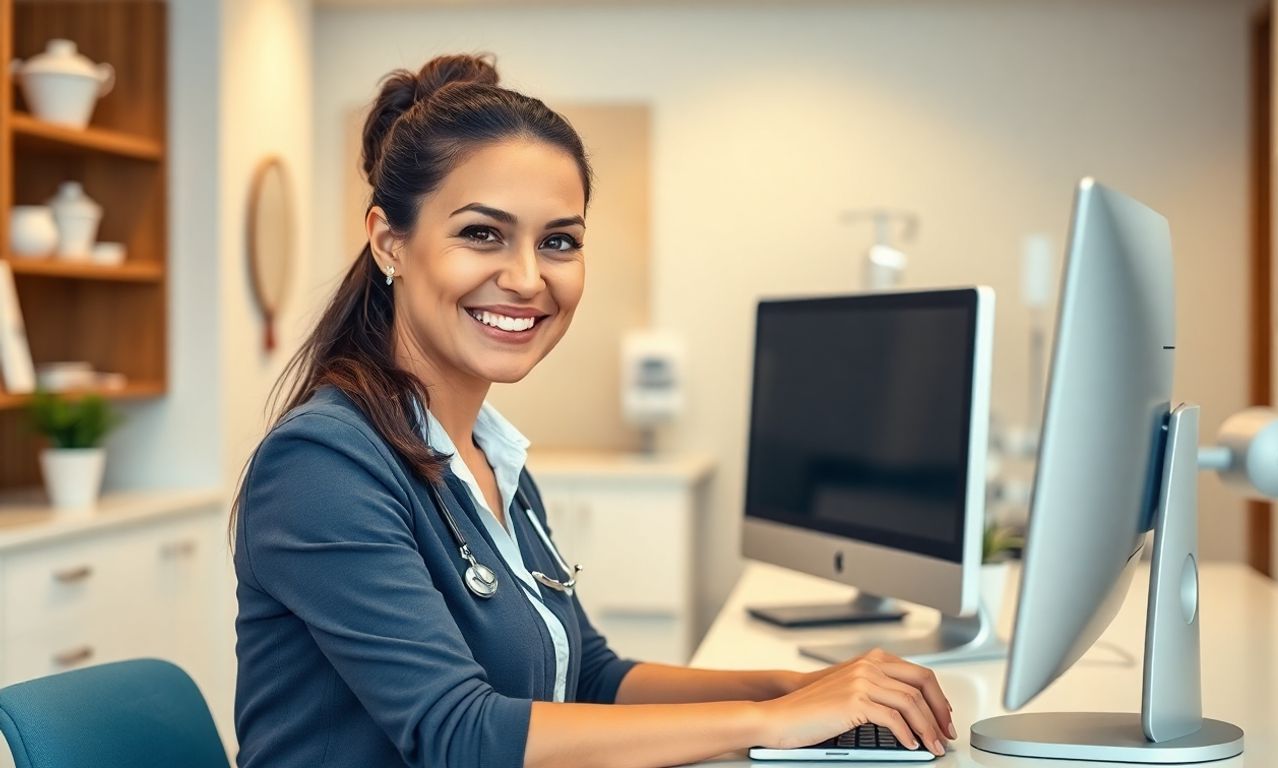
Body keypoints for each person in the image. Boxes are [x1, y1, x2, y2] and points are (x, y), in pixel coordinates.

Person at [232, 53, 956, 768]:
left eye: (558, 242)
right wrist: (771, 720)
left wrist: (800, 688)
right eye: (482, 233)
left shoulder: (487, 456)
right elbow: (459, 736)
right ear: (391, 242)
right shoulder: (324, 466)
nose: (525, 278)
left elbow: (589, 680)